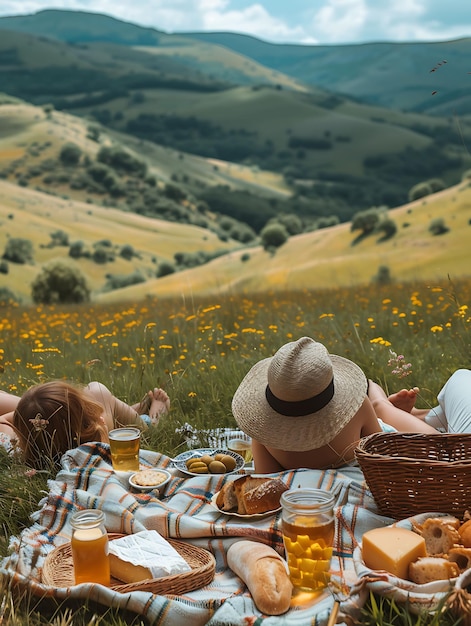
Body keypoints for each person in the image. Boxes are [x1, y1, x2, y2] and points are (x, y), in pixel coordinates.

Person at [231, 336, 461, 473]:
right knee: (431, 437)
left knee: (386, 410)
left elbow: (266, 477)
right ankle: (384, 404)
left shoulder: (261, 430)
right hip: (373, 440)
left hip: (358, 437)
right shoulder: (358, 406)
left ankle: (394, 409)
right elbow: (381, 447)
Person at [0, 381, 170, 467]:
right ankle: (152, 418)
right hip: (102, 424)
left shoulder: (20, 451)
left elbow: (3, 420)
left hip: (57, 429)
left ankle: (133, 408)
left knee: (35, 406)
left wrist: (13, 438)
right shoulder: (98, 445)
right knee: (96, 390)